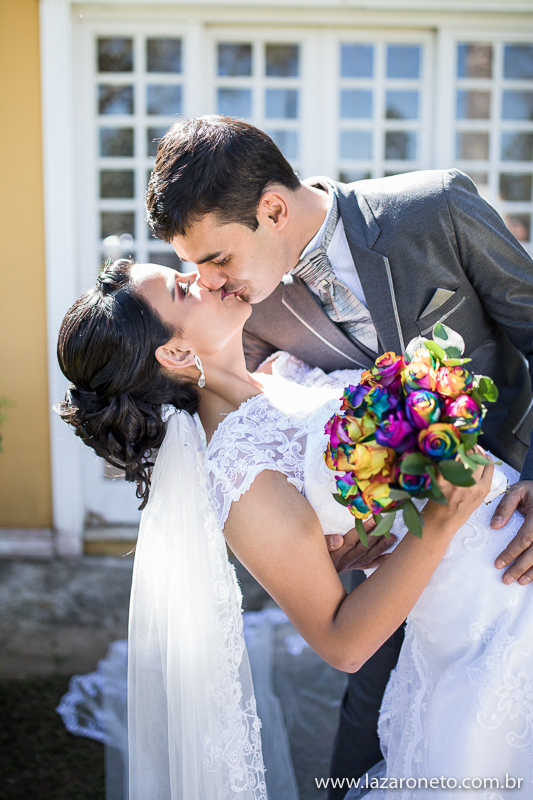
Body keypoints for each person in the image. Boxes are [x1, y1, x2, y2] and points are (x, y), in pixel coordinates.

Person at [145, 115, 533, 794]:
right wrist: (326, 536)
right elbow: (275, 439)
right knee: (371, 748)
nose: (210, 282)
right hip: (398, 571)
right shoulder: (246, 311)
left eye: (216, 259)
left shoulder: (432, 209)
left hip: (507, 531)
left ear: (272, 209)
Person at [56, 259, 531, 798]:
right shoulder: (239, 472)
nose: (205, 276)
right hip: (491, 632)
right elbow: (342, 642)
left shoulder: (281, 373)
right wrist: (439, 524)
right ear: (176, 353)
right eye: (183, 289)